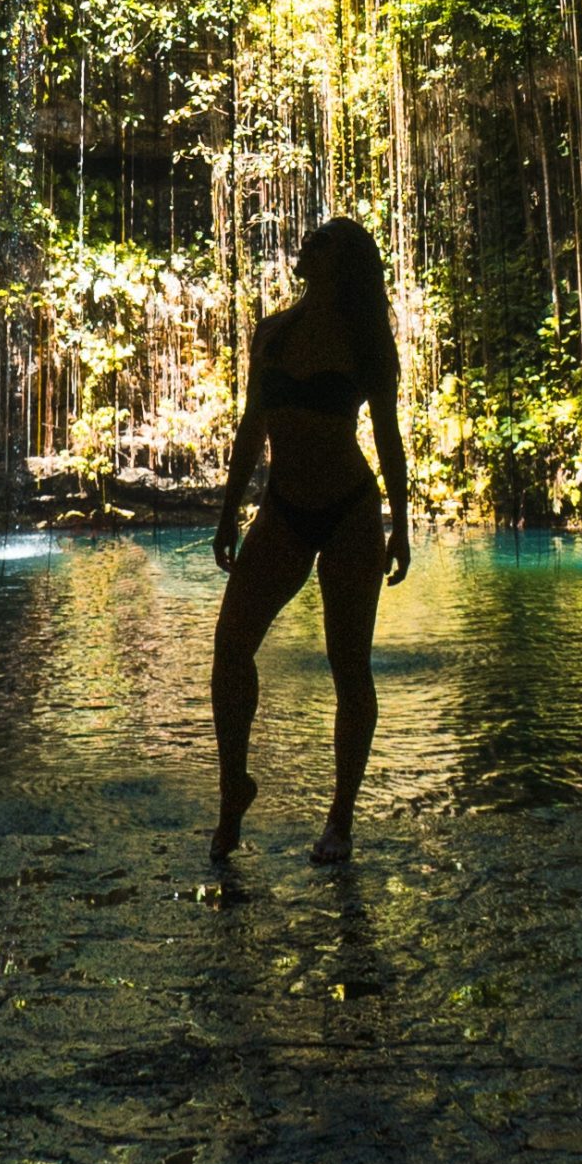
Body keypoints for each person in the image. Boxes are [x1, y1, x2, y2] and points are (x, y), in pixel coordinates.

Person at [209, 216, 410, 864]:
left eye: (321, 242)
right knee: (230, 649)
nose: (307, 246)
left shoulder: (364, 339)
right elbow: (250, 430)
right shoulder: (273, 332)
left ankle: (340, 819)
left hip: (350, 510)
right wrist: (226, 513)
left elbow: (385, 435)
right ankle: (234, 784)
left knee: (348, 667)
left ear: (344, 262)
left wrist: (400, 524)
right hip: (283, 508)